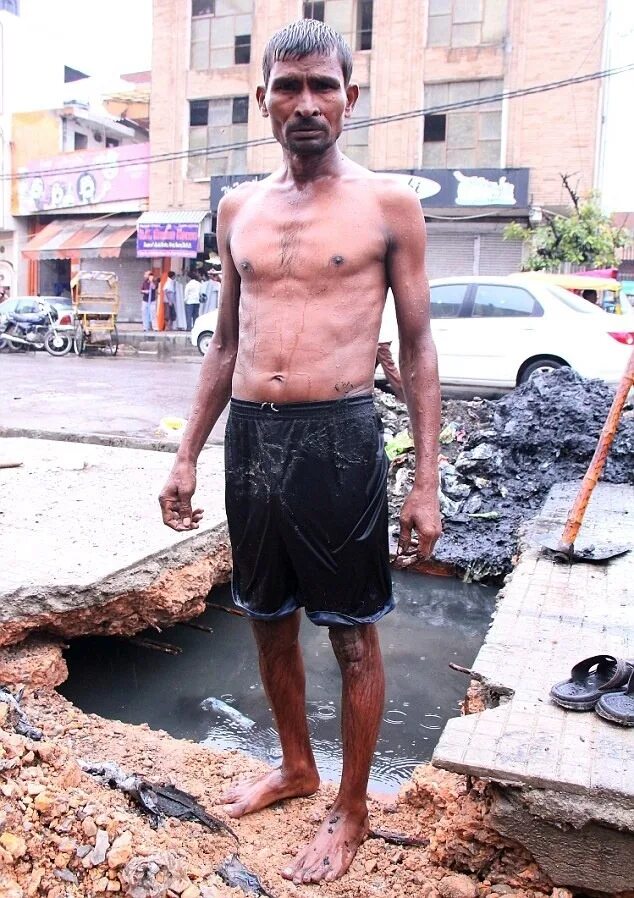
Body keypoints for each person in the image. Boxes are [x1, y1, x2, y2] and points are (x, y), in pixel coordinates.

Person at [159, 19, 441, 885]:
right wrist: (185, 455)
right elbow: (222, 345)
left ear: (350, 99)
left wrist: (425, 480)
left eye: (324, 86)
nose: (306, 103)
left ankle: (351, 810)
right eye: (289, 86)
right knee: (266, 616)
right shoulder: (237, 208)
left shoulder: (387, 205)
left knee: (352, 634)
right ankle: (295, 766)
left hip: (341, 440)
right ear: (264, 99)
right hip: (252, 437)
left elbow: (421, 346)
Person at [376, 289, 405, 401]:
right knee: (368, 369)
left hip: (380, 338)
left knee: (390, 370)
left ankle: (405, 397)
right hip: (381, 336)